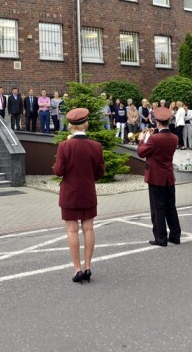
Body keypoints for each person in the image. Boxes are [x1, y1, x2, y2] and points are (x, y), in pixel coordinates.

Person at [53, 108, 105, 283]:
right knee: (89, 229)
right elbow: (100, 173)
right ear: (86, 124)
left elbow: (58, 171)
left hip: (70, 194)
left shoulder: (64, 146)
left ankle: (77, 269)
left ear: (70, 126)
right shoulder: (96, 146)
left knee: (72, 230)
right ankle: (88, 266)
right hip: (88, 192)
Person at [137, 107, 182, 246]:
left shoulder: (154, 139)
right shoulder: (174, 137)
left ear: (157, 122)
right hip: (168, 176)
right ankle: (175, 235)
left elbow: (141, 152)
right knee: (171, 207)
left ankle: (160, 238)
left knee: (158, 208)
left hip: (156, 176)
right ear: (169, 121)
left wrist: (142, 139)